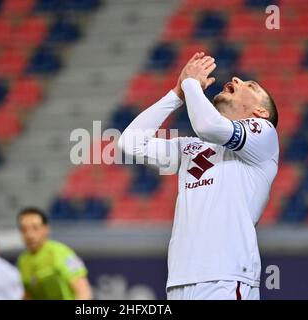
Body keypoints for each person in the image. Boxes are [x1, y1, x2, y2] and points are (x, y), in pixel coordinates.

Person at [118, 52, 279, 300]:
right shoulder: (192, 147)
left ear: (260, 112)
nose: (237, 79)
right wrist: (176, 94)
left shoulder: (264, 135)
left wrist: (191, 83)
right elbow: (131, 143)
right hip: (180, 280)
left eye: (251, 86)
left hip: (226, 276)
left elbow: (208, 125)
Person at [17, 207, 92, 300]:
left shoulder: (62, 253)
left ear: (46, 229)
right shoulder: (23, 261)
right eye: (24, 230)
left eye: (35, 228)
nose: (29, 235)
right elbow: (28, 295)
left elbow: (83, 292)